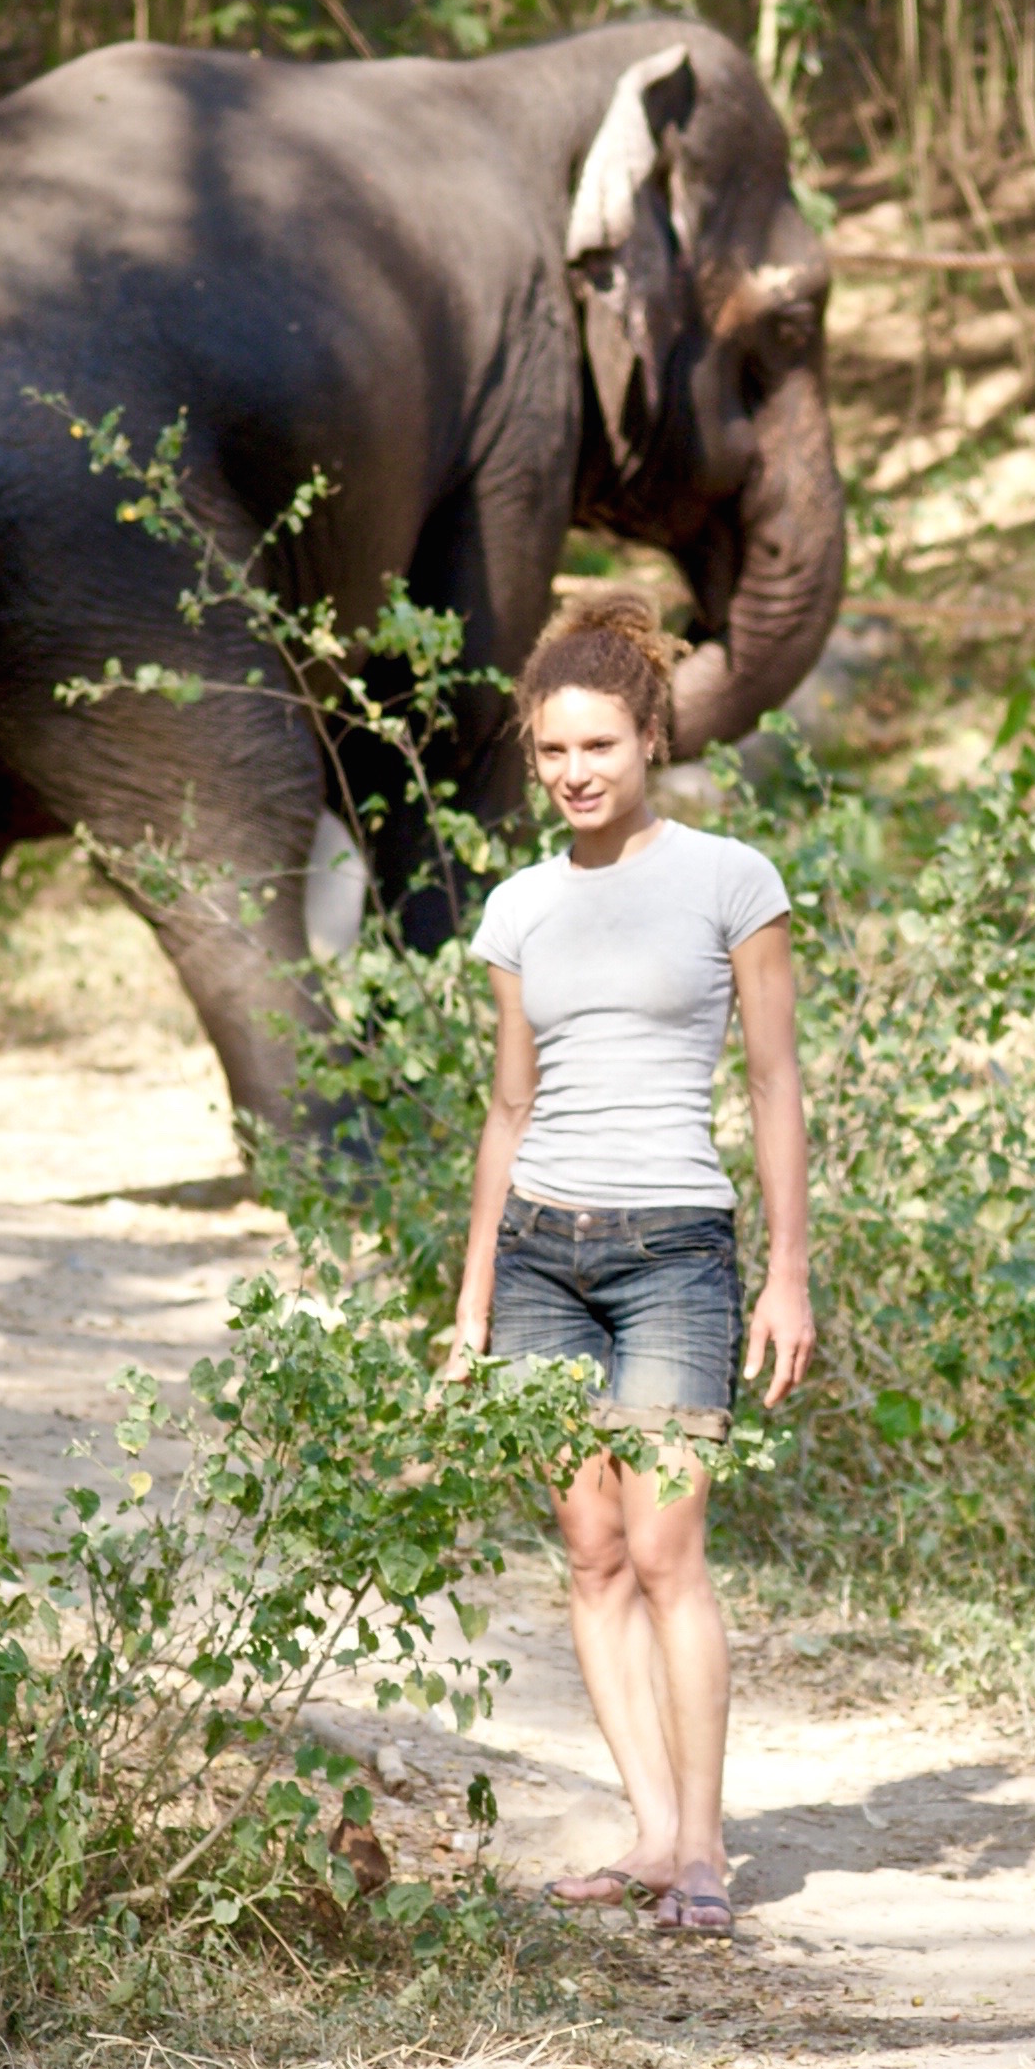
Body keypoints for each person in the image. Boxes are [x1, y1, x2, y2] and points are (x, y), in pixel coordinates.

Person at [442, 591, 813, 1939]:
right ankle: (652, 1834)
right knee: (592, 1552)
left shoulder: (731, 881)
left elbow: (772, 1083)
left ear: (652, 736)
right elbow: (508, 1109)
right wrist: (473, 1305)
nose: (576, 772)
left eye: (598, 745)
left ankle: (705, 1854)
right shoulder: (518, 908)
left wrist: (788, 1273)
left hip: (673, 1253)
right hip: (541, 1256)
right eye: (552, 751)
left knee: (665, 1548)